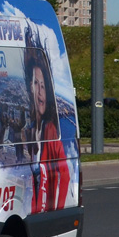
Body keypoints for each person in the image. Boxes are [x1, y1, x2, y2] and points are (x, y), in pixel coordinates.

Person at [24, 47, 69, 213]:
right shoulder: (29, 129)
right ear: (29, 87)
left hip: (45, 211)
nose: (40, 91)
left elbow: (64, 174)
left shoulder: (50, 131)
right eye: (36, 83)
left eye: (43, 85)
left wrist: (58, 210)